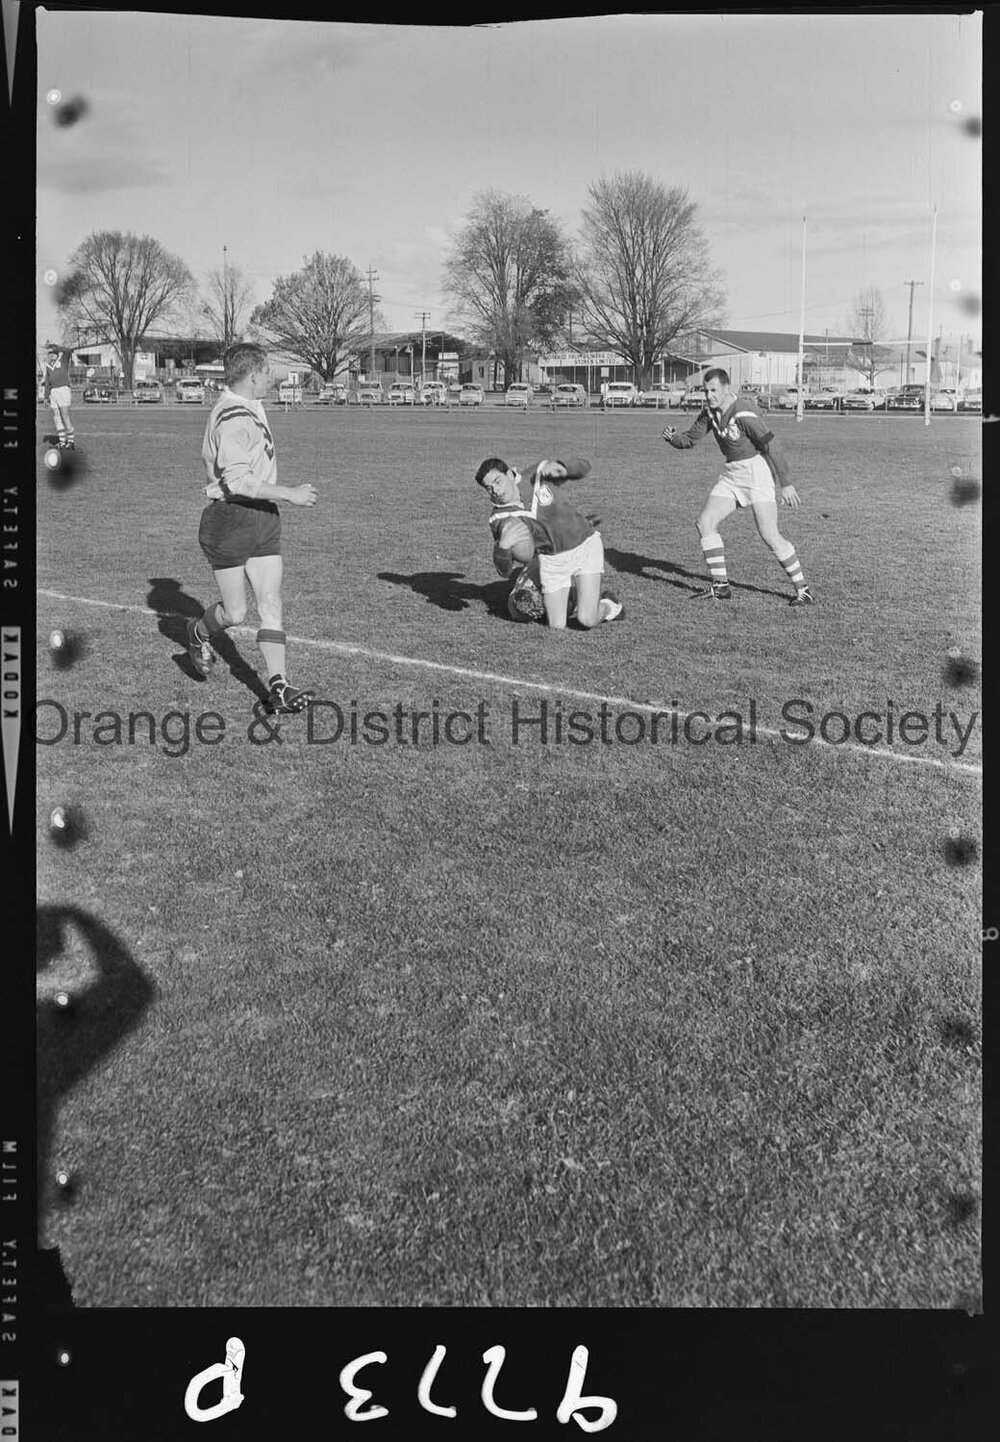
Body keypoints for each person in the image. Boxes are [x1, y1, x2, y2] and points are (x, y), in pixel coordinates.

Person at [186, 342, 319, 714]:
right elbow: (239, 481)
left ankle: (279, 686)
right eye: (267, 373)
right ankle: (198, 632)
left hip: (262, 517)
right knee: (236, 613)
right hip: (230, 519)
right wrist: (289, 494)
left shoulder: (248, 404)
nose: (272, 379)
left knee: (271, 601)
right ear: (252, 376)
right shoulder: (232, 417)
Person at [662, 367, 814, 605]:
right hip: (733, 473)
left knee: (769, 534)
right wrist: (673, 438)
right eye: (706, 390)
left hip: (757, 472)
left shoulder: (743, 412)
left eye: (714, 390)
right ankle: (721, 586)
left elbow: (772, 445)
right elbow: (690, 439)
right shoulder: (710, 413)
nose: (709, 395)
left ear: (726, 388)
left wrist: (785, 484)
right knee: (705, 522)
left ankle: (803, 590)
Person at [475, 456, 624, 629]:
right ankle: (576, 596)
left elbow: (585, 466)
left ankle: (609, 605)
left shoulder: (536, 475)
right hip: (552, 561)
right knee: (557, 626)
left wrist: (565, 468)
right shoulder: (499, 518)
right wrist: (502, 547)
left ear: (509, 473)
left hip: (584, 545)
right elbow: (505, 570)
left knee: (586, 620)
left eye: (497, 481)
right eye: (489, 488)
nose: (495, 491)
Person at [43, 342, 75, 449]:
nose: (50, 355)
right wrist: (46, 397)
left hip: (63, 390)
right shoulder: (48, 366)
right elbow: (47, 382)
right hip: (53, 392)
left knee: (65, 416)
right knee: (57, 418)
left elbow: (68, 350)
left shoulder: (63, 359)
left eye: (52, 353)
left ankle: (70, 441)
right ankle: (62, 442)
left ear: (56, 353)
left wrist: (56, 347)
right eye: (49, 353)